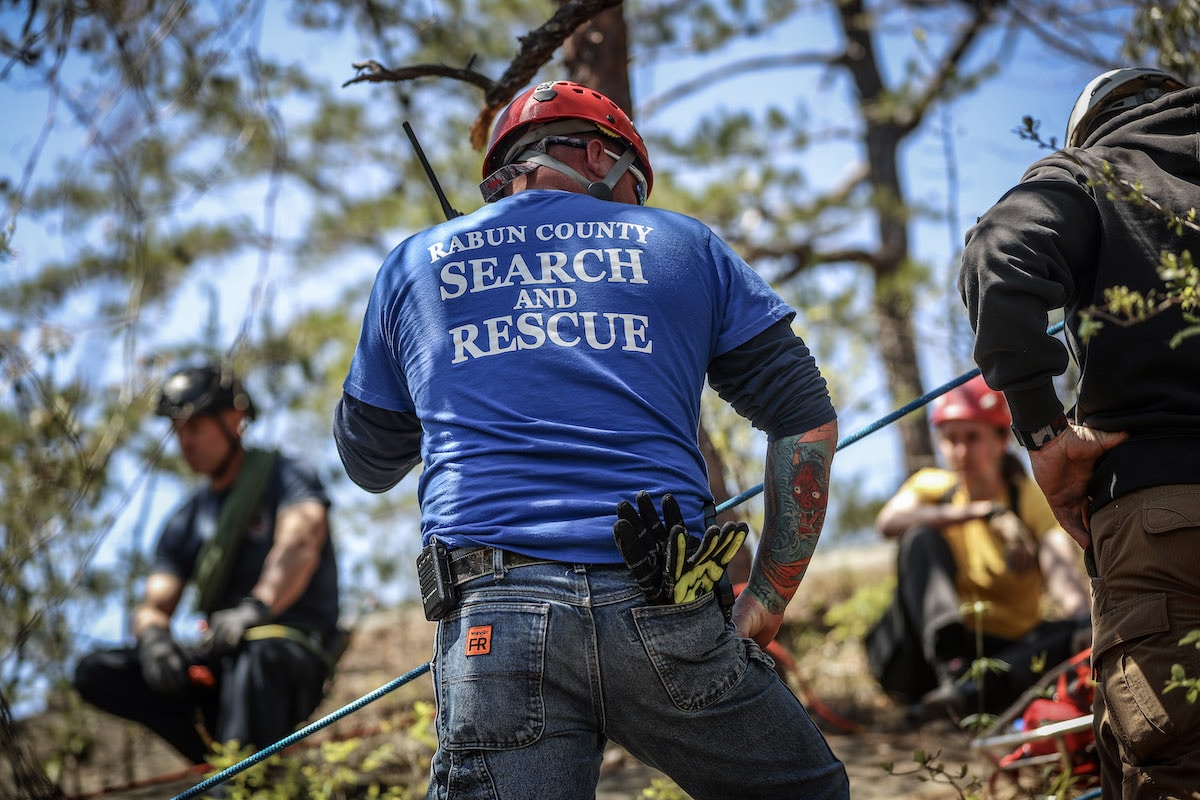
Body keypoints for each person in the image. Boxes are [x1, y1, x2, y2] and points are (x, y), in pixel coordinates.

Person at [333, 80, 848, 799]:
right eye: (637, 185)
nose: (636, 202)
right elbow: (804, 418)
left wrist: (445, 356)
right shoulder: (683, 244)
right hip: (664, 599)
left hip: (492, 616)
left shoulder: (416, 264)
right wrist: (767, 595)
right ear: (603, 156)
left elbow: (367, 460)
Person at [958, 67, 1200, 798]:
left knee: (1175, 773)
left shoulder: (1097, 170)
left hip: (1164, 516)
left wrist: (1041, 429)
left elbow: (1001, 254)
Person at [73, 364, 341, 764]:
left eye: (195, 427)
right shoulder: (186, 520)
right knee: (97, 672)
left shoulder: (285, 477)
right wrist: (155, 642)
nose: (185, 442)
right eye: (177, 431)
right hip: (222, 655)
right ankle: (218, 762)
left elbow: (299, 545)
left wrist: (254, 610)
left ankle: (238, 776)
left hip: (287, 652)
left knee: (259, 656)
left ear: (234, 420)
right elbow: (153, 605)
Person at [865, 376, 1091, 723]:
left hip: (1008, 651)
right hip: (933, 655)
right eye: (950, 439)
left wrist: (1082, 618)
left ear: (1002, 439)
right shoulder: (932, 486)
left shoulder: (1025, 496)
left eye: (972, 437)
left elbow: (1058, 562)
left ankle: (970, 694)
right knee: (919, 537)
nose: (959, 452)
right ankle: (955, 678)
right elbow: (888, 523)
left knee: (1074, 629)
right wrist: (983, 512)